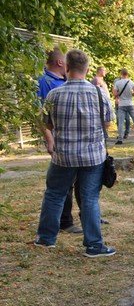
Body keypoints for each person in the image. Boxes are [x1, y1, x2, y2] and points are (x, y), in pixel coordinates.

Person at [35, 49, 115, 257]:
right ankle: (94, 245)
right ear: (87, 69)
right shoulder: (99, 93)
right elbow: (107, 123)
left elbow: (47, 125)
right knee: (89, 198)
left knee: (54, 195)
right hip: (92, 157)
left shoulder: (53, 95)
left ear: (67, 67)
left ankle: (46, 239)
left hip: (63, 156)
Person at [37, 48, 83, 234]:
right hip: (60, 141)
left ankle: (88, 216)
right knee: (62, 184)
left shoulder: (63, 81)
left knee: (81, 180)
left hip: (76, 140)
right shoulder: (45, 82)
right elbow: (40, 116)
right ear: (60, 63)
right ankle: (65, 221)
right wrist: (49, 140)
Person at [113, 68, 134, 144]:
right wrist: (130, 94)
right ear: (127, 74)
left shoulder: (117, 83)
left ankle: (120, 139)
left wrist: (119, 94)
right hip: (130, 104)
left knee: (121, 122)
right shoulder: (131, 82)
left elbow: (114, 94)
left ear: (121, 74)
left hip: (121, 105)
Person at [90, 66, 112, 140]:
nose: (105, 72)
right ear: (99, 71)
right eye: (104, 70)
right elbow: (95, 92)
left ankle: (104, 135)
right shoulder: (96, 80)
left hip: (106, 103)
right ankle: (101, 136)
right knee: (103, 121)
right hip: (101, 104)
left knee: (107, 121)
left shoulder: (101, 80)